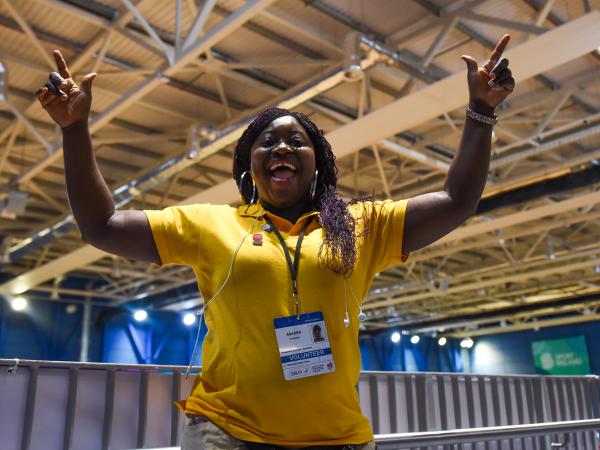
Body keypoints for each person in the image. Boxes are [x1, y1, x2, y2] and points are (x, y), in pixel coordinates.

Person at [36, 33, 514, 449]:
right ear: (250, 165)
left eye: (296, 141)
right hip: (227, 433)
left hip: (337, 438)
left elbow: (457, 200)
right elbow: (101, 226)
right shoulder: (211, 224)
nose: (281, 147)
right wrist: (75, 129)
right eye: (267, 142)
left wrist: (480, 113)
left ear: (317, 163)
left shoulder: (360, 224)